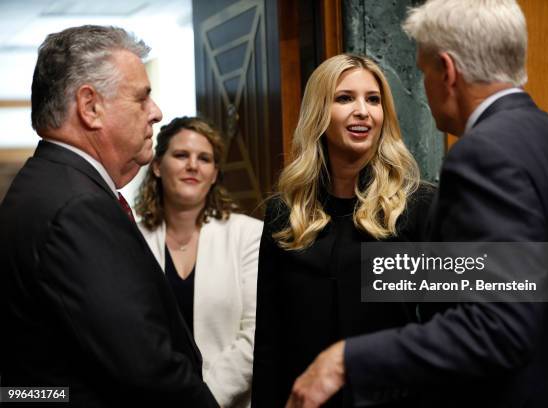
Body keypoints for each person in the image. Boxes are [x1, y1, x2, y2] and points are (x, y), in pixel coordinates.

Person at [286, 1, 548, 407]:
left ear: (448, 71)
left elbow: (496, 324)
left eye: (423, 72)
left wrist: (347, 360)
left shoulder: (484, 155)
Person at [0, 26, 218, 407]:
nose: (156, 112)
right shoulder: (77, 206)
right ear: (90, 107)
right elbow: (145, 369)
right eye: (141, 98)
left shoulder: (47, 183)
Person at [251, 54, 435, 407]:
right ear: (319, 112)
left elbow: (446, 329)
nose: (363, 111)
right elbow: (270, 344)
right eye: (345, 98)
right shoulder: (284, 213)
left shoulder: (418, 207)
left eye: (374, 99)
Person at [135, 116, 262, 407]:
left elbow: (256, 333)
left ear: (215, 174)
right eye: (181, 155)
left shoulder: (249, 235)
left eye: (204, 158)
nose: (193, 165)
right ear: (156, 166)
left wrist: (204, 398)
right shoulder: (132, 238)